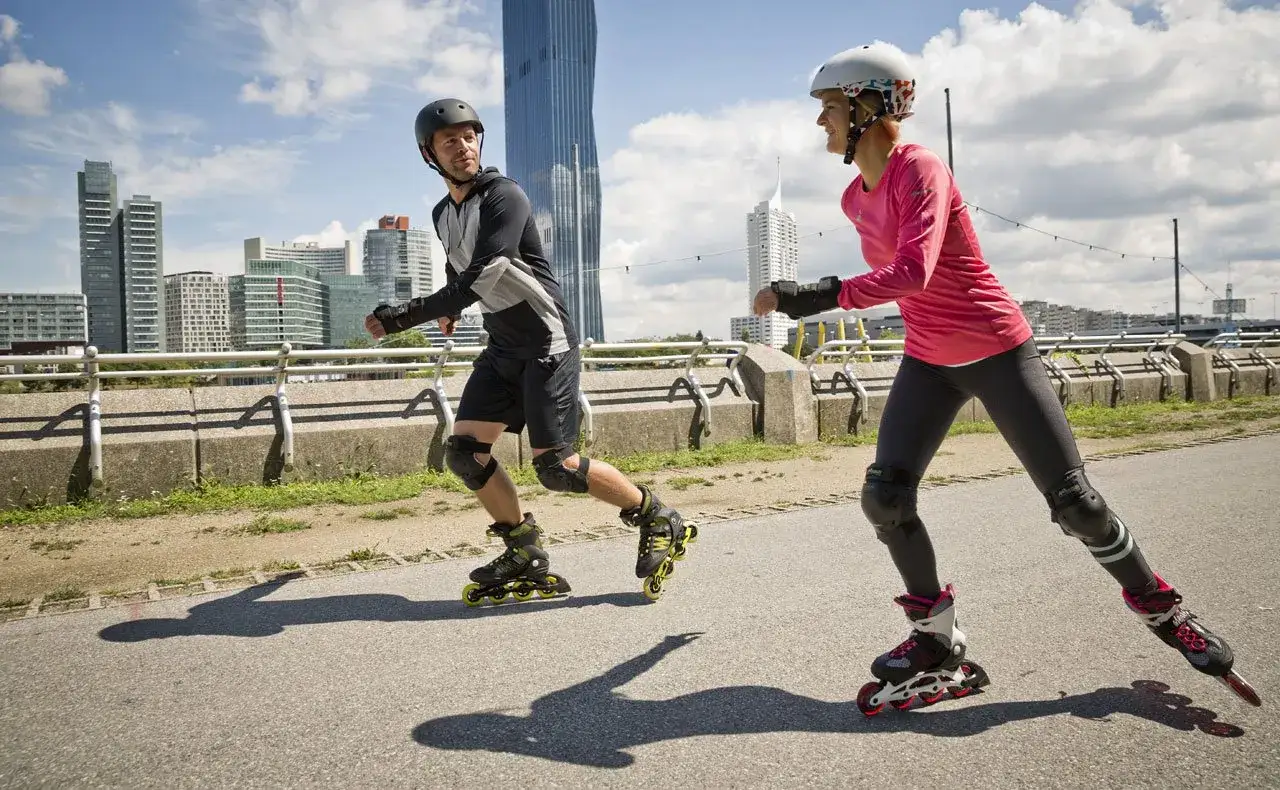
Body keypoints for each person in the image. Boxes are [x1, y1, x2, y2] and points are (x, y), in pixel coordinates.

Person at [753, 44, 1260, 712]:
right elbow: (908, 290)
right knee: (886, 496)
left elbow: (914, 272)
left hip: (996, 348)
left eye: (829, 109)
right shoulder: (855, 196)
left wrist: (809, 295)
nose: (822, 124)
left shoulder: (921, 169)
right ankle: (935, 638)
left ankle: (1163, 609)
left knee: (1075, 503)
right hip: (930, 359)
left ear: (868, 104)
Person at [365, 98, 696, 605]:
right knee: (465, 454)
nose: (462, 146)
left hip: (545, 343)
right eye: (448, 139)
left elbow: (488, 270)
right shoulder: (441, 212)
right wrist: (450, 308)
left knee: (556, 467)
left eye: (469, 135)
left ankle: (657, 516)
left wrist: (402, 317)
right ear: (428, 153)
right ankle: (523, 549)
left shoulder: (505, 196)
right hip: (502, 346)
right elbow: (463, 268)